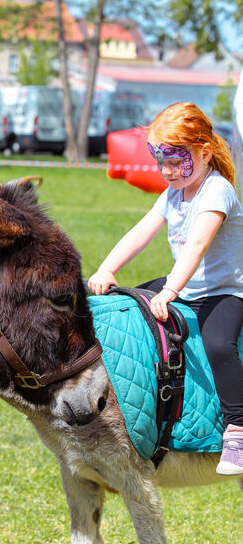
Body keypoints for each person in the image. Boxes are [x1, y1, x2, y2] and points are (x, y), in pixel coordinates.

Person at [88, 101, 243, 476]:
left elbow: (197, 246)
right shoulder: (174, 191)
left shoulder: (216, 190)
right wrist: (108, 268)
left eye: (176, 160)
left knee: (220, 345)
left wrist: (171, 289)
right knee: (131, 306)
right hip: (188, 286)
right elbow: (142, 231)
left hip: (225, 292)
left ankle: (238, 429)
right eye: (160, 160)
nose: (166, 170)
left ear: (204, 153)